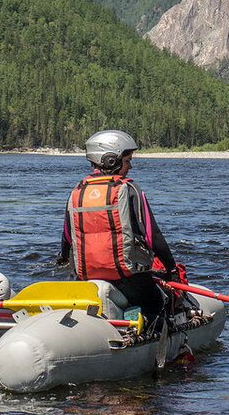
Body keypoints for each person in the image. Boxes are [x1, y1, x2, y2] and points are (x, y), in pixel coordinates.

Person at [58, 130, 179, 322]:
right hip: (128, 279)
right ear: (110, 160)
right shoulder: (130, 189)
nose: (130, 166)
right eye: (127, 160)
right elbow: (152, 235)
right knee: (159, 302)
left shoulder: (77, 192)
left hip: (86, 280)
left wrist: (63, 259)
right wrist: (172, 271)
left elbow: (67, 238)